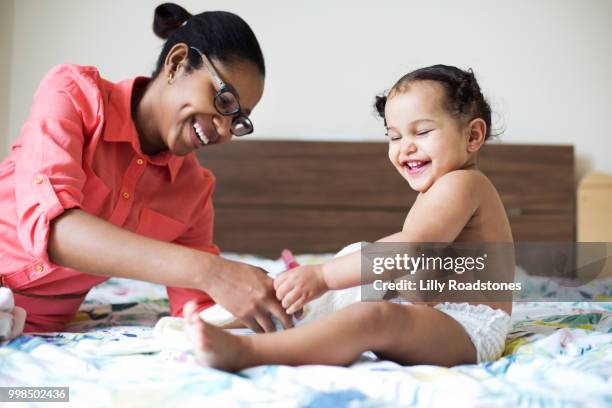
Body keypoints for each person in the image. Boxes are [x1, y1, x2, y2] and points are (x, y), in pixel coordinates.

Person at [183, 65, 514, 371]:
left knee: (373, 316)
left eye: (422, 132)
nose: (405, 147)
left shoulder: (463, 183)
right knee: (360, 293)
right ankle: (252, 322)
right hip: (439, 317)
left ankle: (250, 352)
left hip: (470, 328)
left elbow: (412, 248)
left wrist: (325, 276)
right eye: (395, 136)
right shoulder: (440, 187)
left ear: (472, 136)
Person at [0, 3, 292, 334]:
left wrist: (296, 297)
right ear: (177, 62)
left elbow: (198, 308)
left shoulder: (193, 193)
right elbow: (52, 229)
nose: (224, 131)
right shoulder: (73, 95)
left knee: (30, 393)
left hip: (33, 330)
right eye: (224, 101)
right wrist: (211, 270)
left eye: (238, 120)